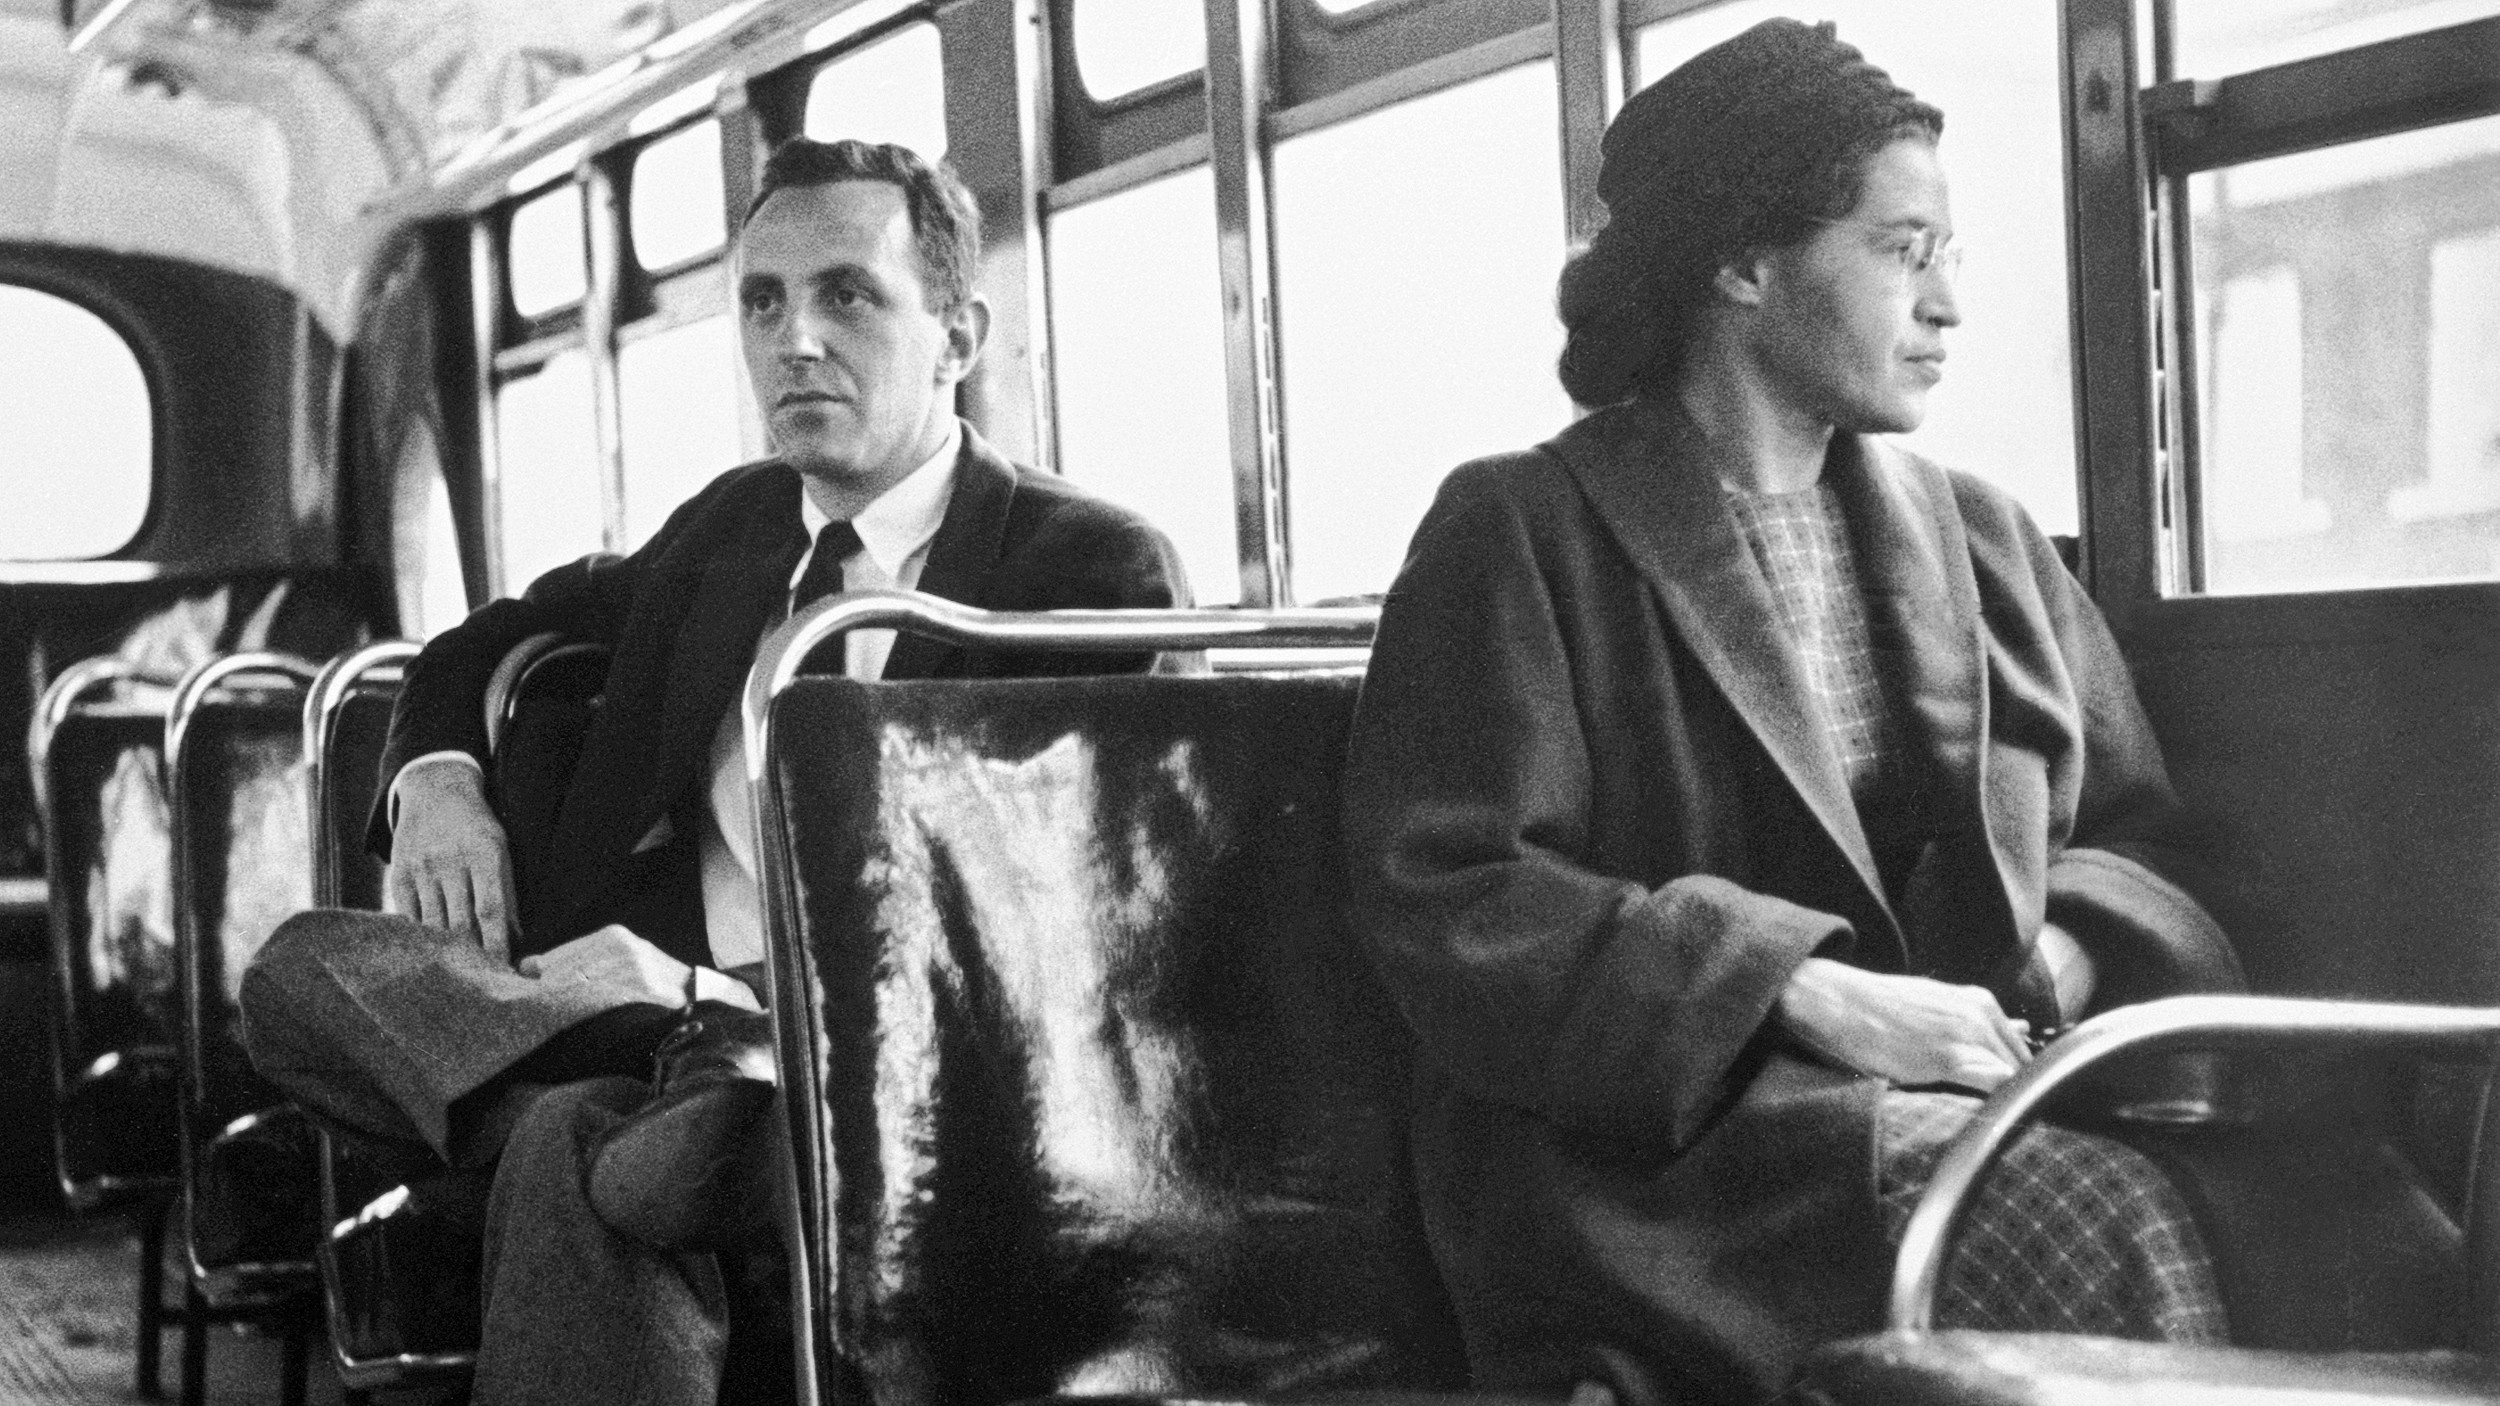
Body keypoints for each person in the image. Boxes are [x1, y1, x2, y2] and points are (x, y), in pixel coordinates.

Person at [1339, 21, 2248, 1406]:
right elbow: (1457, 897)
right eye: (1904, 248)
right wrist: (1810, 996)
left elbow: (2139, 841)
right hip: (1671, 1164)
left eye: (1951, 253)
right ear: (1744, 263)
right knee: (2095, 1217)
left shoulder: (1986, 539)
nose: (1949, 304)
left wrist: (2054, 966)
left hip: (1982, 1087)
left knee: (2331, 1196)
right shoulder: (1518, 531)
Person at [240, 137, 1186, 1405]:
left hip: (898, 1070)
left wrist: (711, 989)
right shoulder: (728, 533)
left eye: (848, 294)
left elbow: (1064, 942)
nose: (795, 338)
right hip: (635, 1034)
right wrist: (439, 779)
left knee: (569, 1153)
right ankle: (683, 1096)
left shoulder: (1083, 569)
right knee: (299, 972)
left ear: (956, 336)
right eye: (762, 300)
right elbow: (482, 636)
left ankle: (680, 1090)